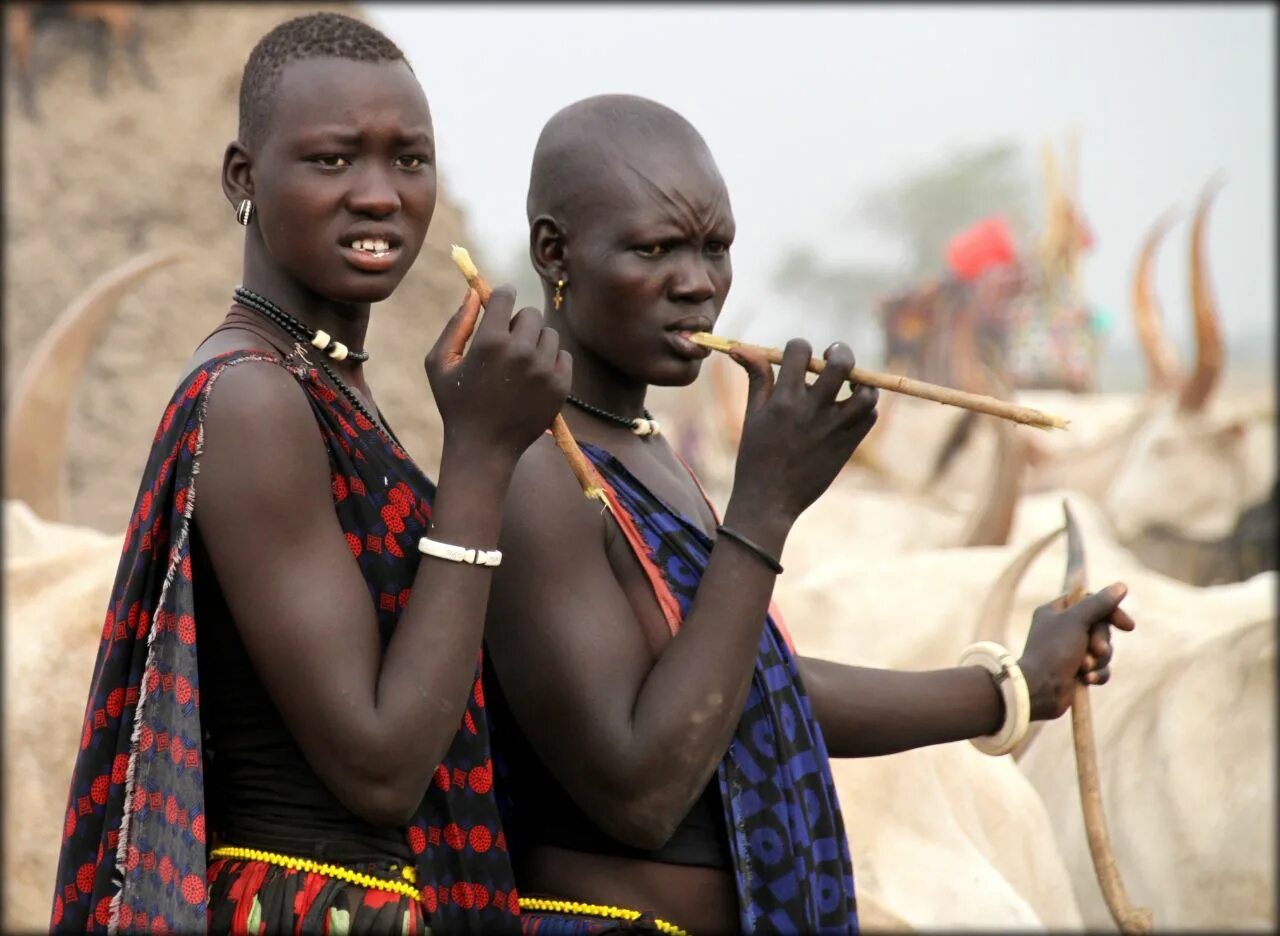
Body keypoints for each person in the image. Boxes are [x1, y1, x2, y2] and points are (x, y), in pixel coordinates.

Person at [480, 94, 1136, 935]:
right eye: (656, 248)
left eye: (716, 248)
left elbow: (750, 692)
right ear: (553, 250)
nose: (698, 283)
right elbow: (640, 791)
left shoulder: (644, 452)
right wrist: (764, 504)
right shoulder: (532, 467)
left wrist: (1012, 686)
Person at [50, 13, 568, 934]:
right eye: (334, 161)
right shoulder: (252, 398)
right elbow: (379, 768)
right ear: (242, 178)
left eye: (410, 160)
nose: (381, 195)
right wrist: (482, 458)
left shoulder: (321, 383)